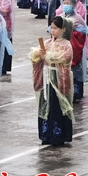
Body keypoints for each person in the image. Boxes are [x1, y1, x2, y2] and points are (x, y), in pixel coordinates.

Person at [29, 16, 74, 146]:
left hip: (58, 79)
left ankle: (58, 136)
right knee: (45, 106)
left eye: (55, 28)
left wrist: (47, 56)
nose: (52, 30)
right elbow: (34, 56)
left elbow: (64, 58)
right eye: (51, 28)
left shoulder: (66, 45)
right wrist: (37, 54)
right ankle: (46, 135)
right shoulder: (48, 42)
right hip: (47, 79)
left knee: (57, 107)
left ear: (63, 29)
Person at [60, 0, 88, 102]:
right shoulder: (61, 17)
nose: (66, 6)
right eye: (64, 3)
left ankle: (76, 93)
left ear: (74, 4)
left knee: (75, 71)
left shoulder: (78, 19)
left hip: (74, 48)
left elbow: (81, 34)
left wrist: (70, 33)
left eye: (68, 3)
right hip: (62, 50)